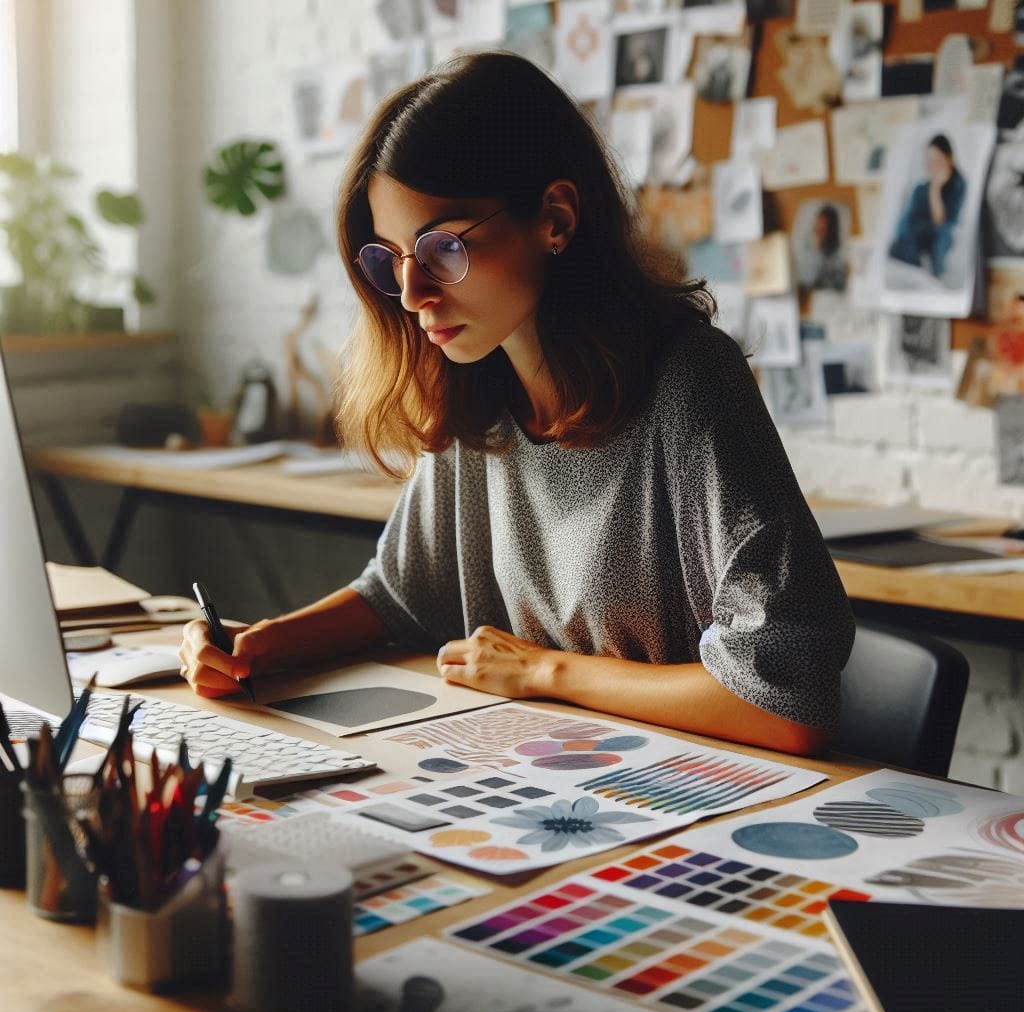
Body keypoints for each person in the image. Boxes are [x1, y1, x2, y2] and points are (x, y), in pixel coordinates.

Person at [179, 52, 854, 756]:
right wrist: (254, 646)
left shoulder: (689, 382)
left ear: (555, 219)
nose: (412, 296)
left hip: (697, 793)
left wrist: (542, 671)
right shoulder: (477, 392)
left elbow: (785, 702)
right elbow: (401, 597)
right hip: (550, 769)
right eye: (391, 259)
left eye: (443, 248)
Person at [888, 133, 966, 280]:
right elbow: (907, 220)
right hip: (918, 234)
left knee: (942, 234)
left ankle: (933, 274)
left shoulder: (958, 186)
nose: (932, 166)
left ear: (949, 159)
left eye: (937, 160)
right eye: (929, 160)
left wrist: (935, 189)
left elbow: (941, 222)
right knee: (905, 233)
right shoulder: (921, 188)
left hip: (940, 233)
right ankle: (912, 266)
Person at [797, 204, 847, 291]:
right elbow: (805, 280)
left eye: (824, 227)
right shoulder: (806, 246)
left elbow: (838, 284)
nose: (819, 229)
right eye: (819, 223)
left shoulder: (837, 256)